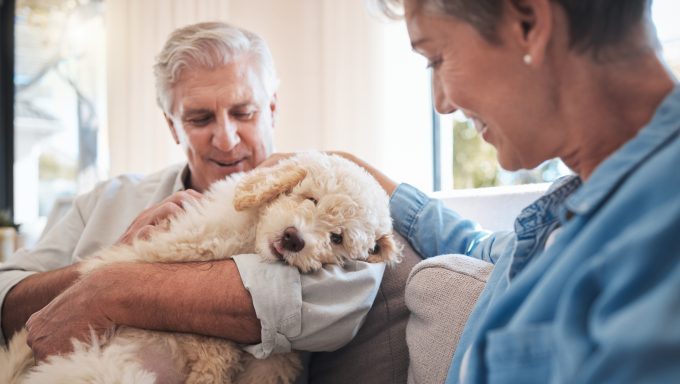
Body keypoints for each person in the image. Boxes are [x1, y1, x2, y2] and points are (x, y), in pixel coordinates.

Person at [0, 22, 384, 381]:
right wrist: (106, 262)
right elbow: (6, 296)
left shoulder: (330, 204)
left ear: (272, 109)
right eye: (200, 119)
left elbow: (330, 306)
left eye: (243, 112)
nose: (227, 139)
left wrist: (114, 287)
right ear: (172, 125)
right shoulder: (108, 199)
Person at [323, 0, 680, 382]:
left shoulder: (659, 231)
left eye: (437, 58)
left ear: (528, 22)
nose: (441, 104)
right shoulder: (570, 211)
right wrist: (358, 176)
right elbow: (479, 246)